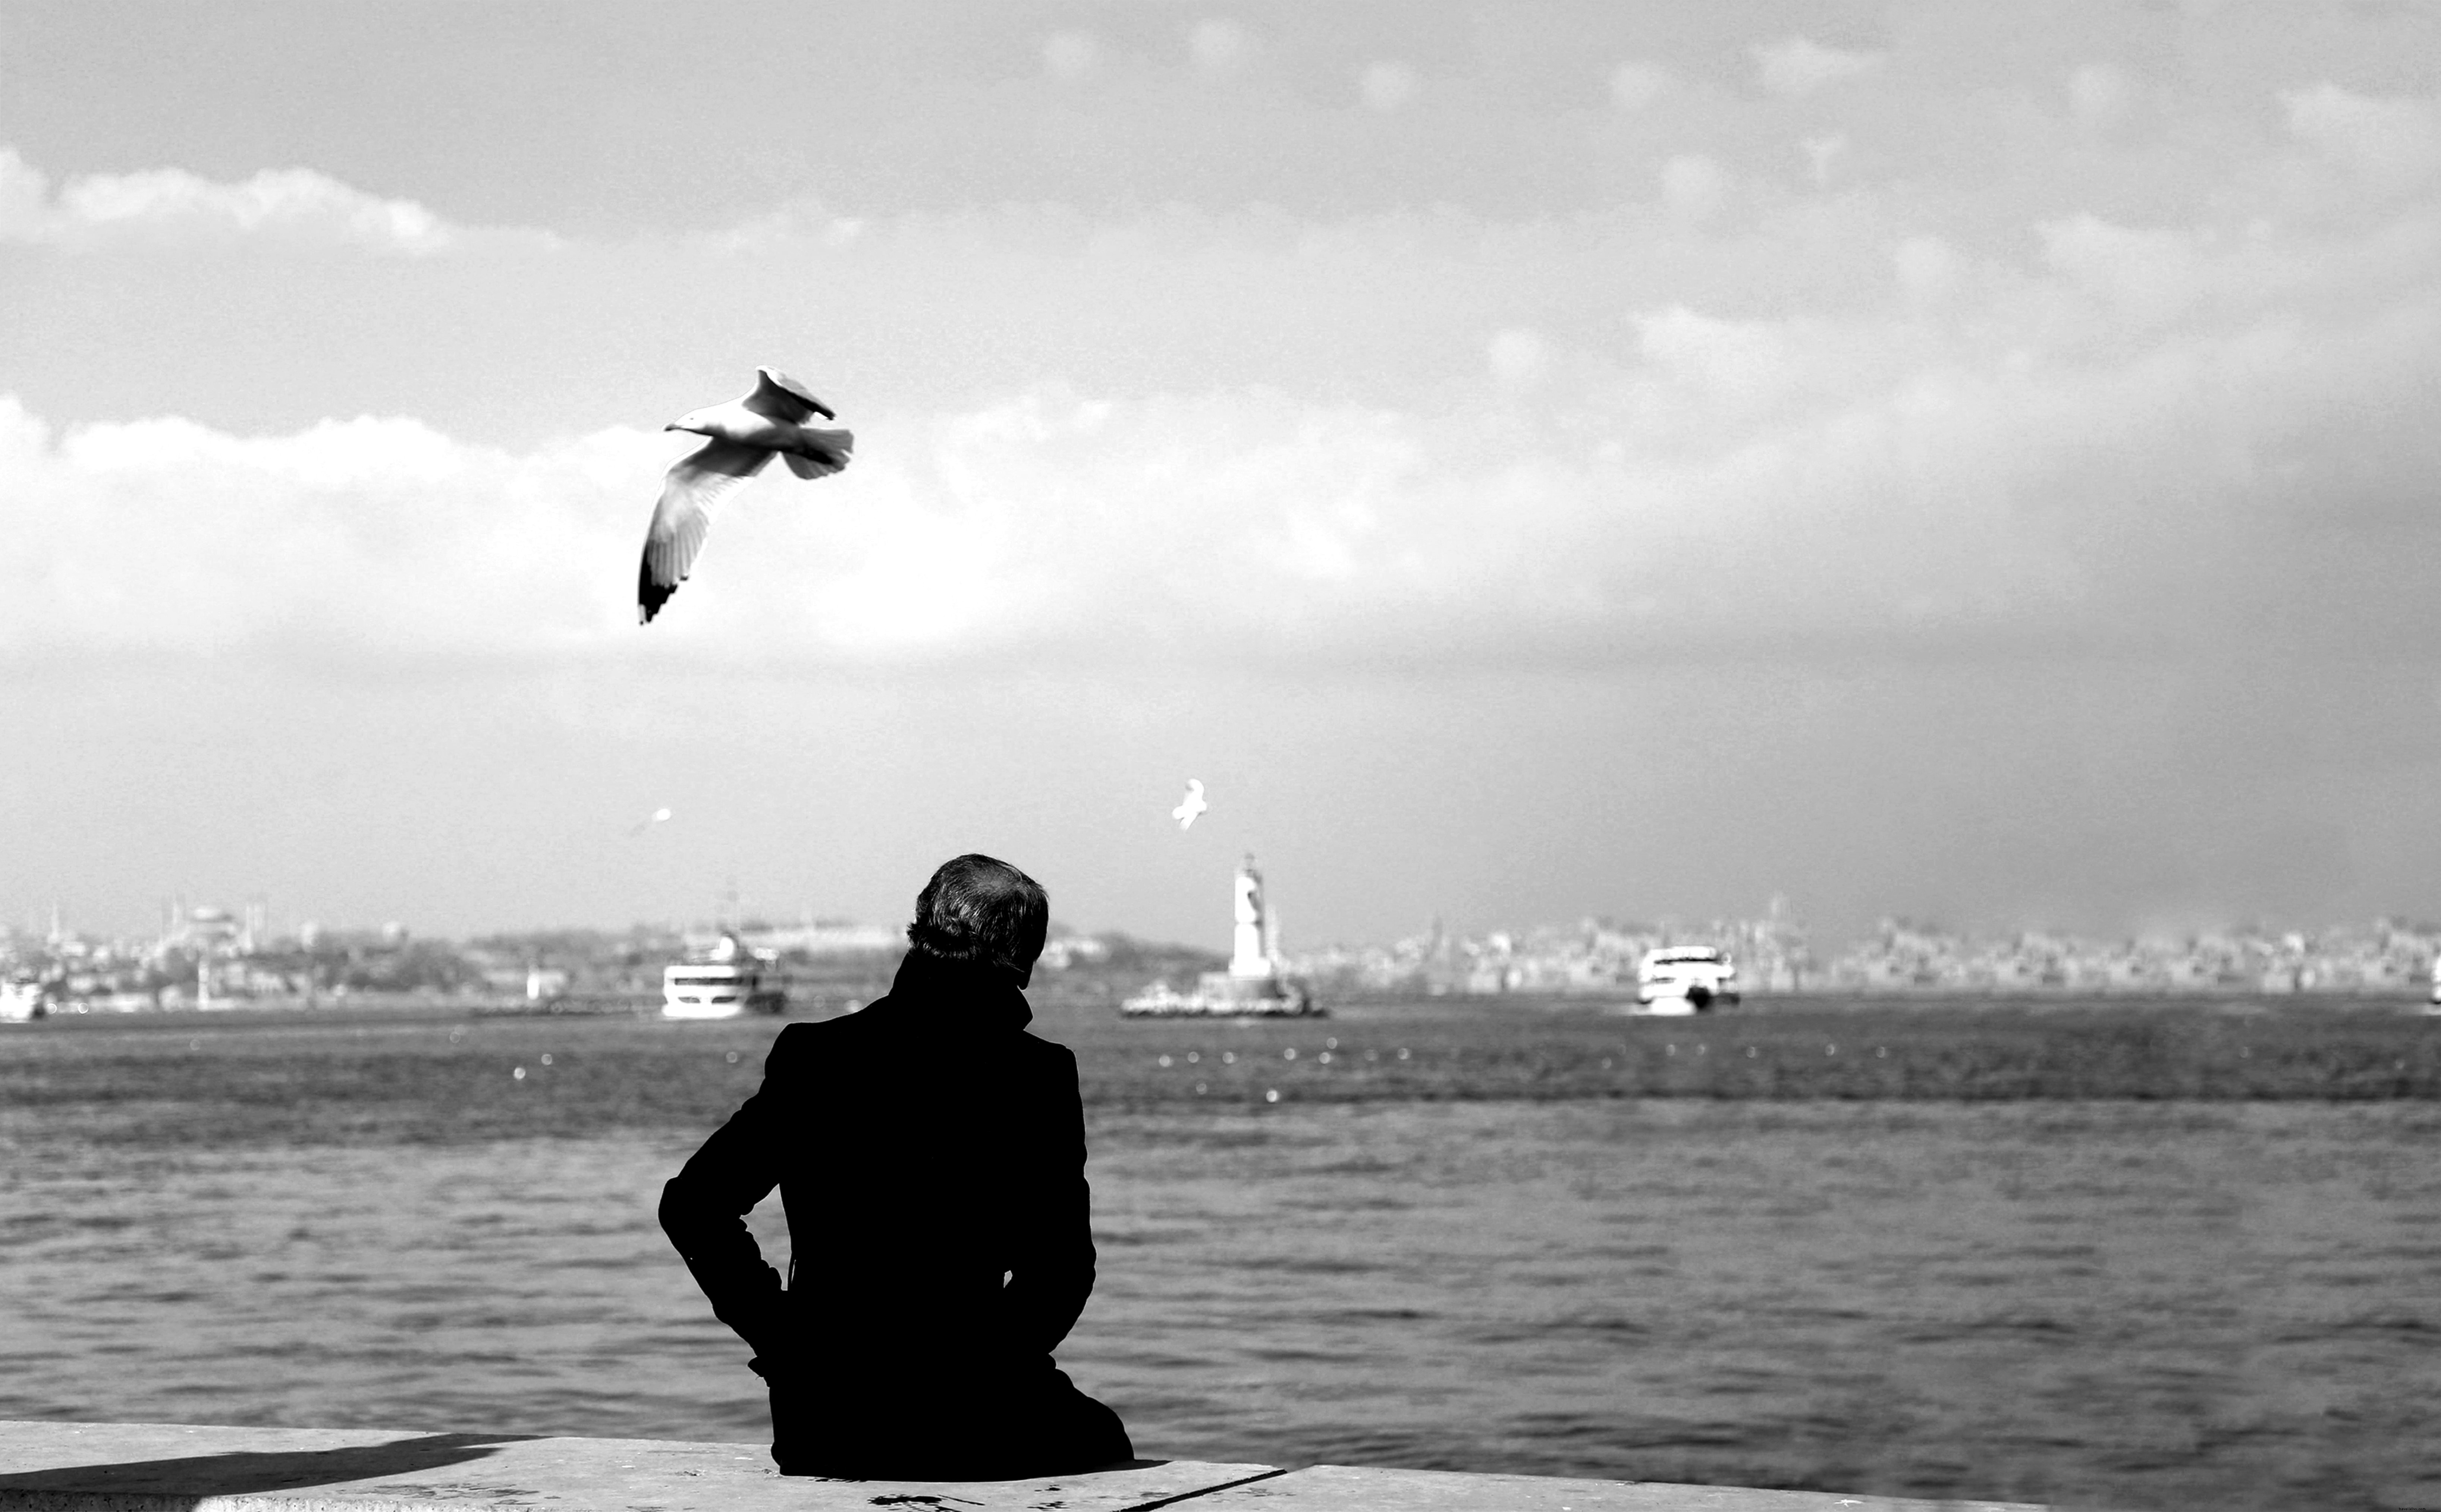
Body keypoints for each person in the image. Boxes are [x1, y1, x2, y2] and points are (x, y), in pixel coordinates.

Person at [659, 854, 1132, 1480]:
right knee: (1106, 1439)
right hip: (975, 1419)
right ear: (1025, 959)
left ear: (920, 929)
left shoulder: (815, 1055)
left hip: (824, 1423)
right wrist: (985, 1371)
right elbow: (1061, 1272)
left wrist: (785, 1344)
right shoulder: (1038, 1074)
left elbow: (693, 1207)